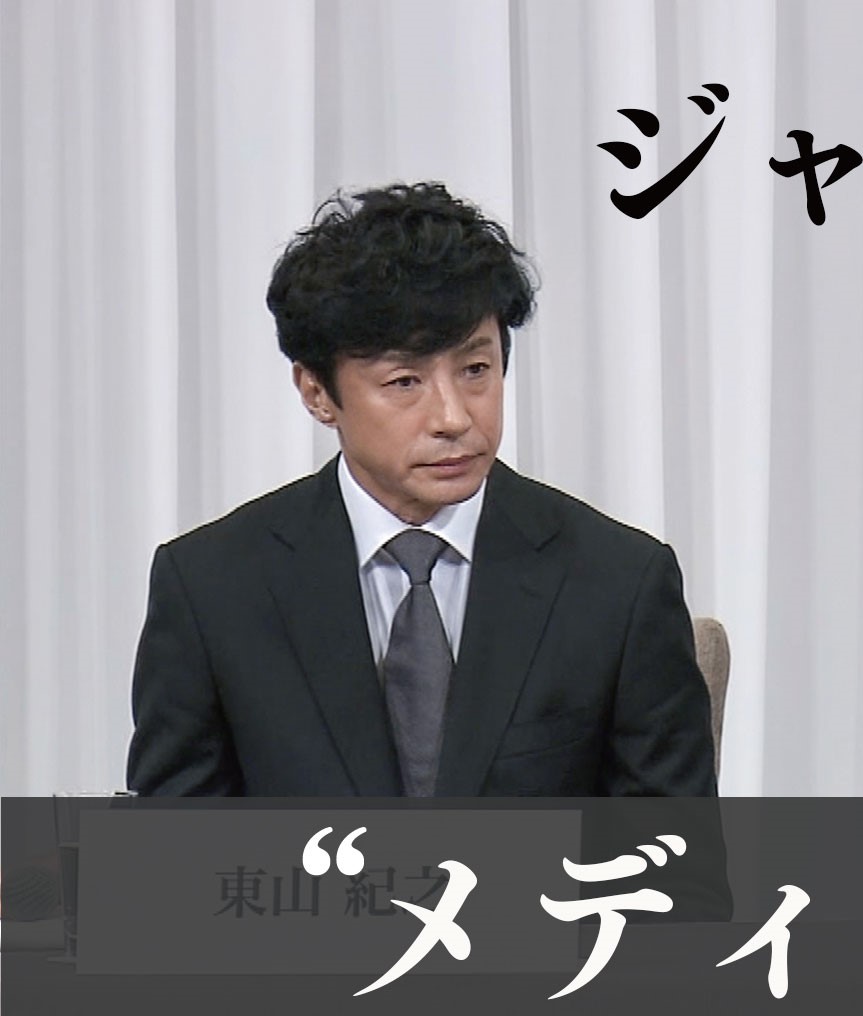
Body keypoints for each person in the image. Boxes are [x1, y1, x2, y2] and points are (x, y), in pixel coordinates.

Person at [127, 182, 716, 797]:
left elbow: (670, 852)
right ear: (317, 393)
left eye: (476, 370)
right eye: (405, 382)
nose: (454, 417)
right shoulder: (211, 590)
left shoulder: (619, 584)